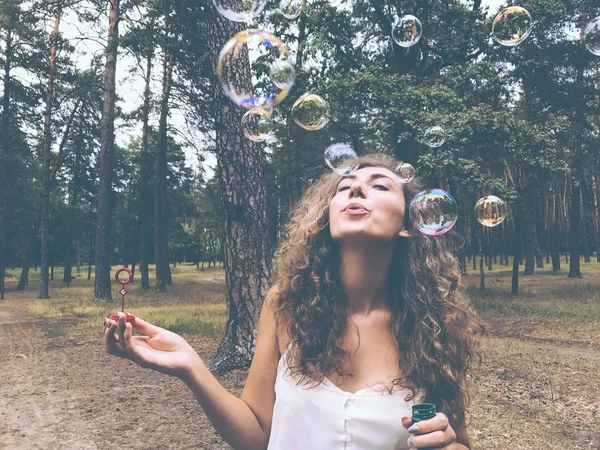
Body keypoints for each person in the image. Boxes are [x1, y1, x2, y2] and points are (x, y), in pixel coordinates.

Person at [104, 153, 484, 450]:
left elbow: (458, 442)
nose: (354, 190)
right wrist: (191, 367)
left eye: (380, 186)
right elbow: (256, 437)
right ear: (326, 215)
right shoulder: (285, 307)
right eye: (344, 187)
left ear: (408, 225)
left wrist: (447, 443)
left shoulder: (433, 325)